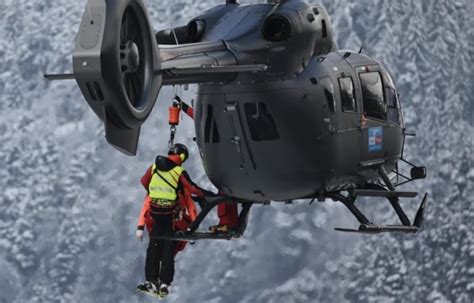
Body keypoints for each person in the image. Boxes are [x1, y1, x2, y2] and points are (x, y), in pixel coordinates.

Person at [136, 143, 214, 298]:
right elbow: (192, 190)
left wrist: (140, 225)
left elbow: (145, 182)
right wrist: (208, 195)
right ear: (182, 157)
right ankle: (165, 282)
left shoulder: (154, 168)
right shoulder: (179, 172)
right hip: (170, 216)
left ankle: (151, 280)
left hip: (155, 213)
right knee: (168, 250)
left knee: (154, 247)